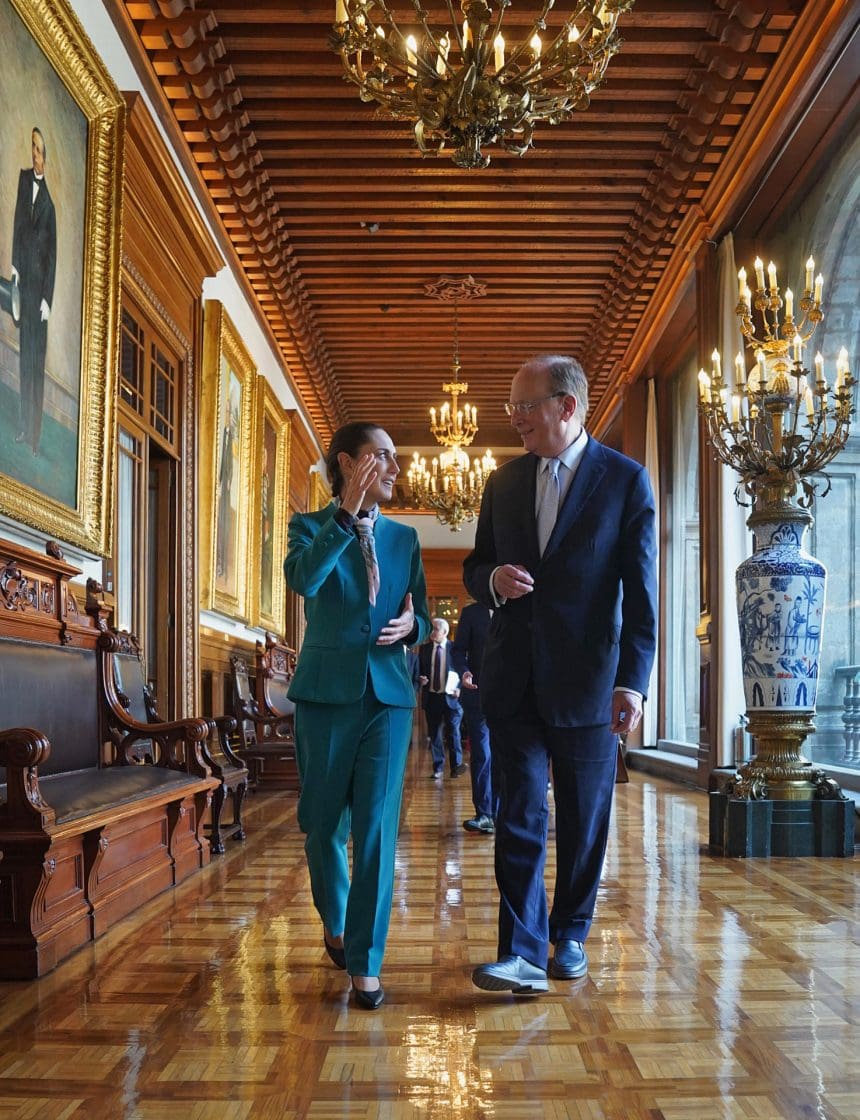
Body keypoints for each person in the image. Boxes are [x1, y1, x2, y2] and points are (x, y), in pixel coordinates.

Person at [463, 354, 657, 994]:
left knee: (583, 818)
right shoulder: (503, 482)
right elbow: (476, 566)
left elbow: (643, 594)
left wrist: (632, 681)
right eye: (511, 407)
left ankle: (569, 932)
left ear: (566, 406)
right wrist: (492, 580)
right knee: (518, 814)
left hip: (591, 685)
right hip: (513, 679)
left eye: (525, 406)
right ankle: (520, 952)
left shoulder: (625, 480)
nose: (514, 418)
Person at [285, 422, 431, 1010]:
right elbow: (304, 580)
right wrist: (344, 516)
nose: (395, 467)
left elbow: (420, 613)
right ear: (347, 463)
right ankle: (336, 918)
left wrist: (414, 626)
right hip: (324, 697)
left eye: (396, 457)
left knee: (375, 829)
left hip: (388, 699)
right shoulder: (308, 526)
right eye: (383, 455)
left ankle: (366, 963)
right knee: (324, 825)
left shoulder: (405, 539)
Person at [11, 127, 56, 457]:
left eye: (38, 150)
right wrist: (15, 267)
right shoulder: (23, 180)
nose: (34, 154)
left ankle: (36, 437)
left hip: (39, 297)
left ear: (45, 158)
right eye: (32, 147)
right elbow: (17, 224)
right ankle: (24, 427)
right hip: (23, 288)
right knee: (25, 360)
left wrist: (47, 301)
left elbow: (52, 258)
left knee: (37, 367)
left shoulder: (50, 206)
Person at [451, 600, 496, 834]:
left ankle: (505, 812)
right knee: (482, 753)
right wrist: (464, 671)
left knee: (510, 755)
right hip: (477, 693)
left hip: (516, 697)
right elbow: (458, 650)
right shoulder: (472, 613)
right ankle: (485, 813)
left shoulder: (522, 606)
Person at [418, 618, 466, 780]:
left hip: (452, 698)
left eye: (435, 629)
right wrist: (421, 678)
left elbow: (464, 670)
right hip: (432, 697)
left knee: (454, 732)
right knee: (435, 735)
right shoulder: (424, 649)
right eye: (431, 629)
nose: (432, 632)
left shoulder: (455, 649)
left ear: (445, 632)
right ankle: (438, 768)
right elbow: (420, 670)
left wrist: (460, 688)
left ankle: (456, 767)